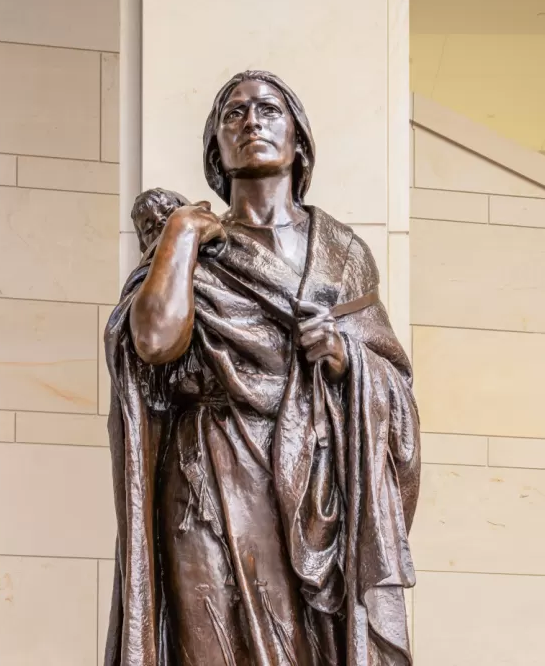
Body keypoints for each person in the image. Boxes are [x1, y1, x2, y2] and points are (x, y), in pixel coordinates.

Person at [104, 70, 420, 666]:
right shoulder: (195, 245)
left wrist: (347, 356)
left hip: (311, 485)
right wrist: (180, 232)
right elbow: (151, 340)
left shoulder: (340, 251)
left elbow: (395, 382)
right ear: (215, 149)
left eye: (269, 110)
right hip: (208, 472)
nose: (251, 121)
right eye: (234, 114)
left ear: (298, 140)